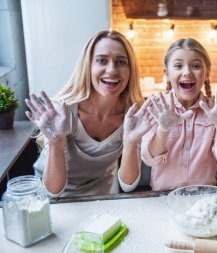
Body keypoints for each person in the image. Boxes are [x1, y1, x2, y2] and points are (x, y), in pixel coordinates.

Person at [25, 30, 155, 197]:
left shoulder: (133, 114)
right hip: (50, 197)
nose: (112, 70)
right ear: (88, 66)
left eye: (121, 62)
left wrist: (131, 141)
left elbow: (128, 186)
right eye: (102, 60)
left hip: (101, 197)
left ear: (131, 70)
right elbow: (54, 191)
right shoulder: (63, 112)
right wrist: (57, 143)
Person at [138, 38, 217, 191]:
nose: (187, 72)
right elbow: (150, 160)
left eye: (196, 66)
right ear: (166, 73)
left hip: (204, 198)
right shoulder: (157, 109)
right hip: (162, 198)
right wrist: (163, 130)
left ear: (207, 73)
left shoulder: (215, 111)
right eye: (178, 66)